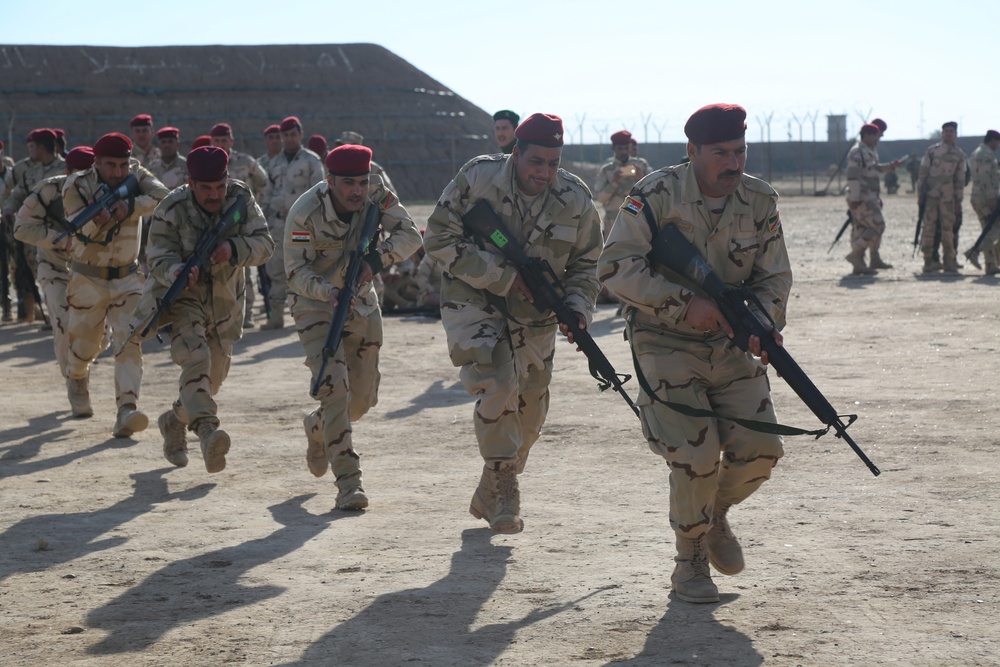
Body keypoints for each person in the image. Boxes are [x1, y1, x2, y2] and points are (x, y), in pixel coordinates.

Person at [598, 103, 792, 604]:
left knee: (762, 451)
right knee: (696, 454)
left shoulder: (759, 199)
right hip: (663, 340)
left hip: (729, 340)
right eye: (721, 153)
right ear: (693, 151)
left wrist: (765, 323)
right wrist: (685, 304)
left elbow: (774, 276)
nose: (733, 162)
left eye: (740, 151)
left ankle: (713, 513)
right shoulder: (655, 194)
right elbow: (616, 267)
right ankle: (690, 560)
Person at [423, 113, 602, 532]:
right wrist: (503, 276)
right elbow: (438, 237)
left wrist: (578, 309)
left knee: (530, 412)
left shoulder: (575, 198)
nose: (545, 173)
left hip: (536, 311)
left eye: (553, 164)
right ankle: (506, 487)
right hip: (473, 297)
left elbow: (587, 264)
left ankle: (491, 485)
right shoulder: (478, 177)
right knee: (498, 383)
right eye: (536, 161)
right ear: (516, 152)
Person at [284, 144, 421, 509]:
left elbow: (411, 235)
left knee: (360, 401)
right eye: (348, 183)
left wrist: (375, 261)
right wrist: (326, 291)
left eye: (362, 182)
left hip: (360, 301)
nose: (358, 191)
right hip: (315, 305)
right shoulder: (305, 212)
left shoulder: (377, 193)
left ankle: (318, 427)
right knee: (335, 390)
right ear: (330, 181)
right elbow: (295, 272)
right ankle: (349, 483)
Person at [136, 146, 274, 472]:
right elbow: (157, 257)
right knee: (195, 359)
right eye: (206, 188)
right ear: (191, 183)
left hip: (226, 303)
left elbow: (265, 245)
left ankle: (175, 420)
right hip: (185, 298)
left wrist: (233, 247)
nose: (215, 195)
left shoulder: (239, 197)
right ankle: (208, 432)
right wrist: (175, 271)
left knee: (211, 380)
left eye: (220, 187)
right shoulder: (171, 208)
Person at [61, 132, 169, 433]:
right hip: (88, 278)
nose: (119, 172)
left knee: (129, 341)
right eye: (111, 165)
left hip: (127, 278)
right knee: (84, 346)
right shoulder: (77, 185)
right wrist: (100, 220)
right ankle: (77, 377)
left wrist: (130, 206)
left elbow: (164, 198)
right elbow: (76, 226)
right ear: (97, 162)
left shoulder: (138, 175)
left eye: (123, 165)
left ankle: (127, 409)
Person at [13, 146, 95, 379]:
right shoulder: (49, 189)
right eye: (80, 176)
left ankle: (80, 366)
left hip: (92, 269)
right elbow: (21, 228)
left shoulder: (106, 189)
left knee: (98, 331)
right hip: (55, 266)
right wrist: (60, 240)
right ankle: (73, 381)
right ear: (67, 173)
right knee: (63, 323)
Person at [262, 115, 325, 330]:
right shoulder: (273, 163)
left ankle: (310, 314)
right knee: (276, 269)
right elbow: (267, 194)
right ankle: (276, 316)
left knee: (305, 266)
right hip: (278, 225)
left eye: (292, 134)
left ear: (300, 135)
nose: (289, 138)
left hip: (302, 226)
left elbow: (320, 193)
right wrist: (265, 221)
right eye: (285, 135)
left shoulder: (311, 160)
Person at [210, 122, 272, 327]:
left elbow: (263, 181)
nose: (221, 144)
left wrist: (255, 206)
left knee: (244, 266)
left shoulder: (246, 161)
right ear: (211, 141)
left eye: (224, 140)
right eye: (217, 140)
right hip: (215, 223)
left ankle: (246, 313)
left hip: (242, 223)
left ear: (231, 141)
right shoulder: (206, 162)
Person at [844, 123, 901, 274]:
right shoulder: (857, 152)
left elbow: (873, 169)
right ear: (867, 136)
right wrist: (855, 198)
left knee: (862, 229)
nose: (878, 138)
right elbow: (852, 176)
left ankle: (859, 264)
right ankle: (855, 255)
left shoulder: (869, 152)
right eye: (875, 135)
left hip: (869, 196)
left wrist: (891, 166)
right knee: (877, 225)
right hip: (861, 197)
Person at [917, 121, 968, 273]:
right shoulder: (932, 151)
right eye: (946, 131)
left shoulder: (959, 155)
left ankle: (949, 261)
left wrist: (958, 199)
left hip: (948, 199)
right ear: (942, 134)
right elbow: (923, 174)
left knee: (948, 230)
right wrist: (920, 195)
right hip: (931, 197)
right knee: (929, 228)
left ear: (956, 135)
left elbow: (960, 179)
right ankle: (928, 261)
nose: (949, 134)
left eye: (951, 131)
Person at [593, 130, 649, 239]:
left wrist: (641, 178)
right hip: (613, 220)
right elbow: (600, 199)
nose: (624, 152)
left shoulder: (641, 165)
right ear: (613, 148)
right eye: (620, 149)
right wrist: (614, 182)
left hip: (637, 218)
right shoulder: (607, 169)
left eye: (626, 148)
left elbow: (653, 193)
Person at [966, 129, 1000, 274]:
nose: (998, 145)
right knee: (995, 229)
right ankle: (974, 250)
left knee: (987, 229)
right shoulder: (985, 154)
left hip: (979, 196)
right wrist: (991, 198)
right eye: (997, 142)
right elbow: (985, 177)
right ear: (992, 140)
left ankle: (990, 264)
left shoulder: (977, 152)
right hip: (985, 197)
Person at [332, 131, 396, 194]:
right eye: (341, 147)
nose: (343, 151)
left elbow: (391, 195)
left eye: (347, 148)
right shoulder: (333, 166)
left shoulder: (373, 169)